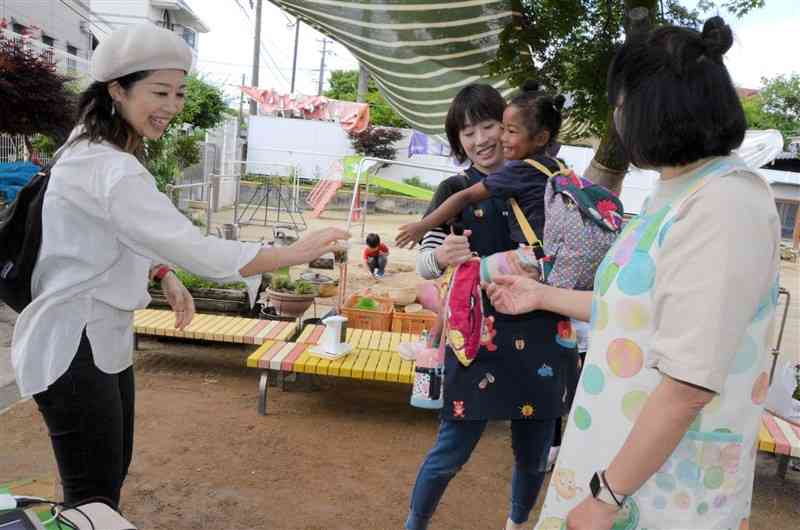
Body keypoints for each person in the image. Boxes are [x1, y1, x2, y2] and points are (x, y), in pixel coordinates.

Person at [10, 24, 349, 510]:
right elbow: (201, 251)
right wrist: (295, 251)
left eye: (180, 92)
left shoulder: (91, 148)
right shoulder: (109, 167)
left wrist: (163, 273)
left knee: (103, 482)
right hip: (73, 343)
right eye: (160, 91)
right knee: (93, 498)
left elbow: (116, 232)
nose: (172, 105)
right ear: (117, 89)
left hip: (99, 338)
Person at [485, 17, 781, 530]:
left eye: (618, 106)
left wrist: (607, 496)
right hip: (620, 466)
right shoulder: (677, 193)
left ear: (650, 111)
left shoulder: (726, 204)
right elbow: (640, 316)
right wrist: (540, 296)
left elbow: (689, 380)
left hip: (661, 492)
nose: (616, 119)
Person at [404, 84, 570, 530]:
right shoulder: (453, 189)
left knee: (534, 453)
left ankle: (517, 525)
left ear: (511, 127)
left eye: (488, 125)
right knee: (451, 448)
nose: (480, 140)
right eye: (466, 132)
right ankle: (414, 525)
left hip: (543, 332)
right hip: (476, 337)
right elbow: (423, 263)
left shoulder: (549, 178)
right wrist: (441, 256)